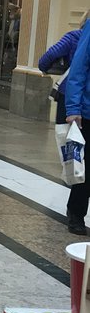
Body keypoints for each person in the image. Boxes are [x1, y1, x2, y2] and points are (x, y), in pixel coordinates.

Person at [54, 16, 90, 235]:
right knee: (87, 166)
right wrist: (73, 108)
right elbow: (78, 68)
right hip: (87, 110)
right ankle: (76, 212)